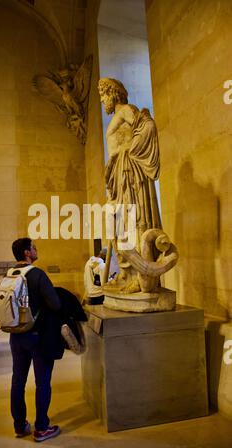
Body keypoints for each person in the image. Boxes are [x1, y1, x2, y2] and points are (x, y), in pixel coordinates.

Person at [98, 78, 162, 293]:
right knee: (117, 225)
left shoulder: (126, 110)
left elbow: (147, 126)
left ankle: (141, 275)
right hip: (117, 175)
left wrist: (129, 152)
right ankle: (126, 273)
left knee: (132, 220)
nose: (102, 100)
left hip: (129, 173)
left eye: (104, 95)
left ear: (113, 94)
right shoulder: (116, 116)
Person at [9, 237, 63, 442]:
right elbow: (55, 304)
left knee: (18, 381)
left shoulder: (9, 274)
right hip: (37, 336)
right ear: (26, 253)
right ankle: (41, 428)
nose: (36, 249)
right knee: (42, 382)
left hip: (16, 337)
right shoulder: (37, 274)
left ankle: (20, 425)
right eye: (33, 247)